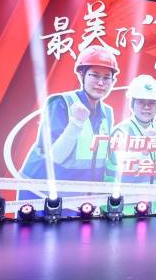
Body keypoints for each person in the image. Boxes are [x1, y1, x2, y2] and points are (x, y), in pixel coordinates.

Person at [19, 45, 118, 199]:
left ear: (113, 81)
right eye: (95, 75)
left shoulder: (108, 113)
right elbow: (55, 157)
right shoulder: (61, 103)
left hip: (77, 196)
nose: (101, 83)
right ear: (81, 75)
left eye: (106, 78)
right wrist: (76, 123)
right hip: (40, 192)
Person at [105, 74, 156, 186]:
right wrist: (143, 149)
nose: (146, 107)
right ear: (132, 104)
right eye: (141, 102)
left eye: (151, 102)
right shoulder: (121, 131)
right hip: (124, 194)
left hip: (153, 195)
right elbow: (121, 161)